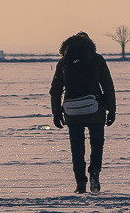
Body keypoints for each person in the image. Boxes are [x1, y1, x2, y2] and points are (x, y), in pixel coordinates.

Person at [50, 32, 116, 194]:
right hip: (95, 109)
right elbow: (108, 86)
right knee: (97, 144)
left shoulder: (64, 62)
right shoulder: (97, 60)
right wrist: (111, 109)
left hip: (72, 112)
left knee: (77, 149)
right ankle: (94, 173)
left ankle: (80, 183)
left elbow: (55, 90)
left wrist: (57, 113)